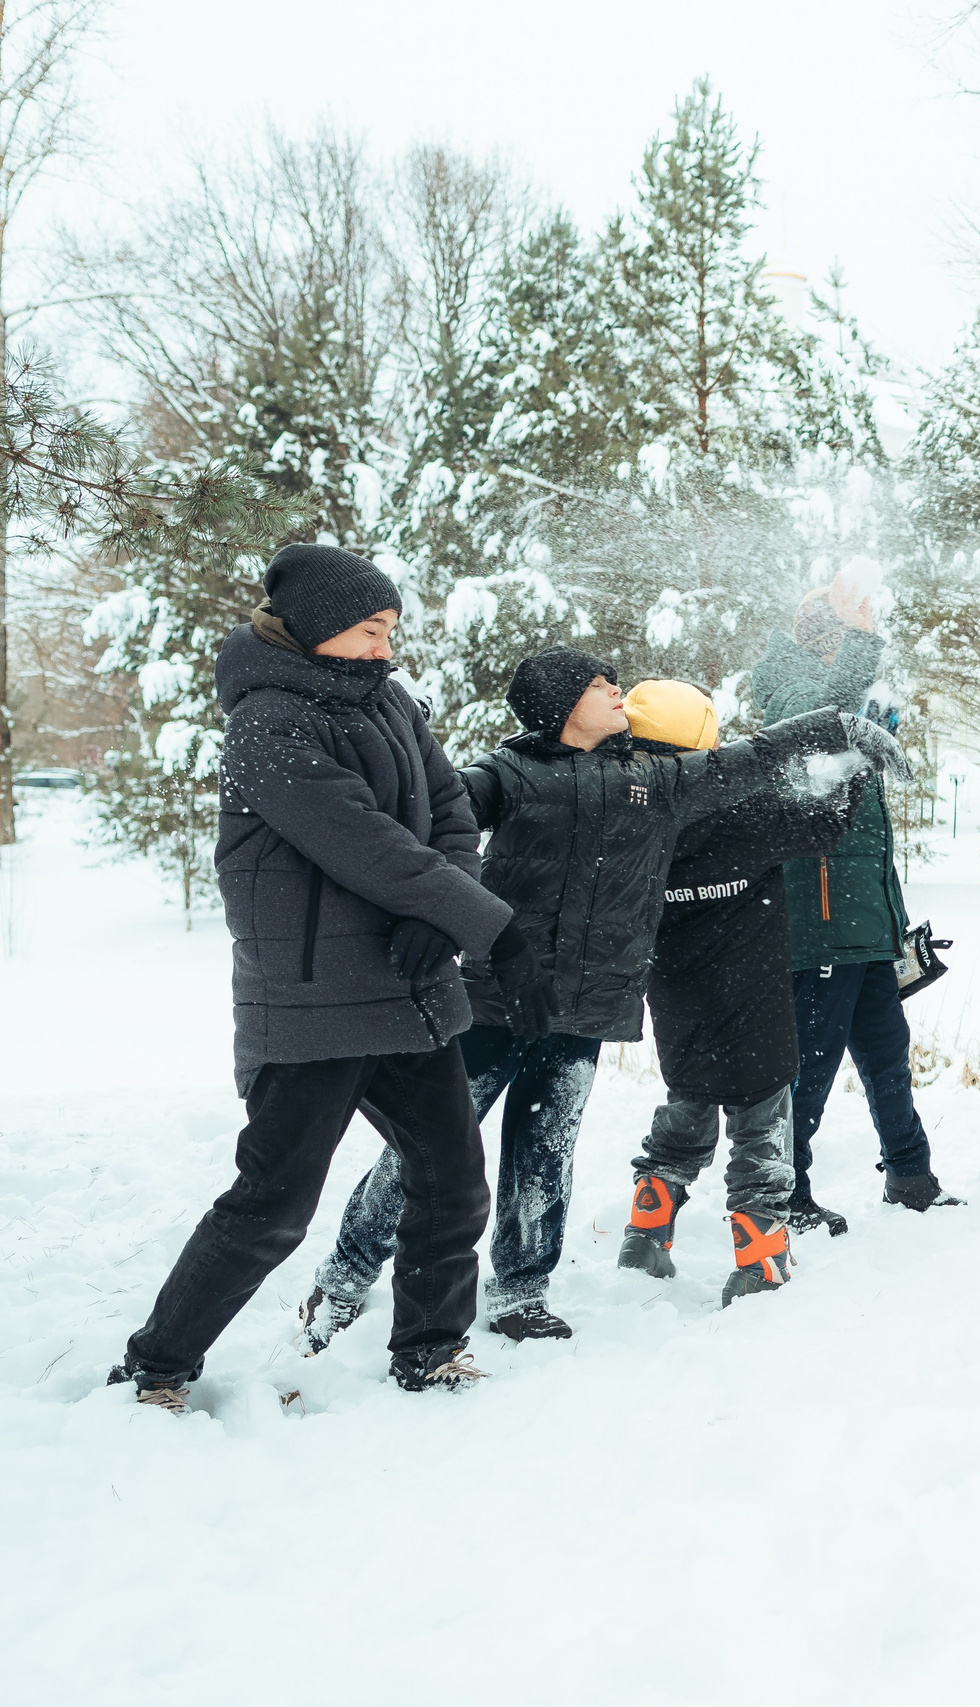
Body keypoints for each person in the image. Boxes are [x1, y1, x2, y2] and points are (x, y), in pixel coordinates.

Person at [302, 646, 862, 1347]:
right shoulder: (508, 775)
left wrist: (836, 727)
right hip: (492, 997)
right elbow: (433, 811)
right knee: (424, 1147)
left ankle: (521, 1291)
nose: (620, 692)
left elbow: (741, 761)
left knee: (545, 1148)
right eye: (605, 685)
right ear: (566, 706)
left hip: (580, 1011)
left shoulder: (649, 780)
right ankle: (345, 1275)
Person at [110, 545, 544, 1407]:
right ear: (314, 629)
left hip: (408, 993)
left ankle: (429, 1348)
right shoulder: (265, 722)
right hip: (313, 999)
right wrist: (481, 921)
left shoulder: (389, 702)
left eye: (390, 628)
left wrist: (438, 912)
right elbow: (357, 838)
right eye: (369, 629)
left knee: (453, 1182)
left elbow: (451, 811)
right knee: (272, 1203)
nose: (385, 646)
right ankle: (159, 1363)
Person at [614, 681, 871, 1304]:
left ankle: (649, 1219)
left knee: (688, 1101)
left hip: (675, 996)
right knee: (762, 1123)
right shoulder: (739, 815)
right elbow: (826, 819)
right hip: (751, 996)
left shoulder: (629, 814)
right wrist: (857, 765)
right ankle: (760, 1255)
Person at [749, 575, 953, 1232]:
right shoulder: (783, 685)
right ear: (814, 636)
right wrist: (863, 633)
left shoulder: (844, 698)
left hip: (865, 924)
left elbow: (869, 833)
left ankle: (911, 1174)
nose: (843, 648)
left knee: (889, 1055)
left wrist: (896, 928)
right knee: (809, 1068)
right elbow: (823, 711)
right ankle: (787, 1191)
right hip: (819, 925)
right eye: (835, 634)